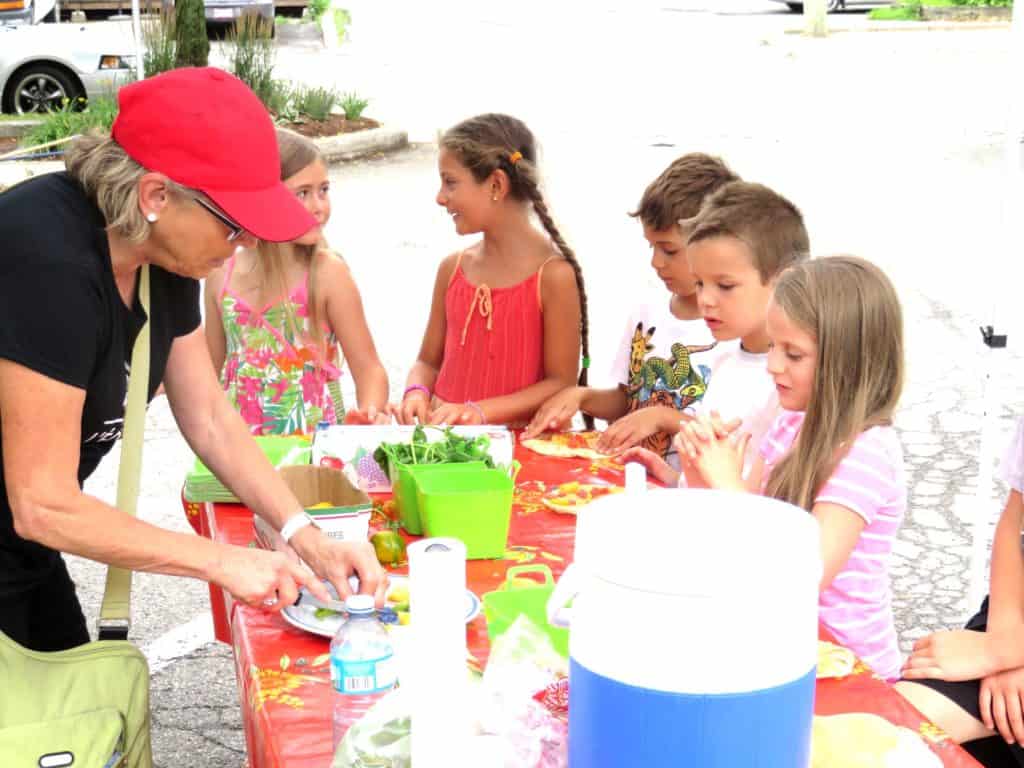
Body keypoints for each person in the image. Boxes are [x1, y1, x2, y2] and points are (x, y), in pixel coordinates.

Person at [0, 67, 384, 654]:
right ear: (156, 194)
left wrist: (303, 533)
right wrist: (219, 561)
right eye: (235, 224)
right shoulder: (45, 259)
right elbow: (43, 503)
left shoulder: (164, 250)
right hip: (26, 525)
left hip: (20, 551)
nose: (249, 243)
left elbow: (206, 411)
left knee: (76, 715)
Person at [675, 257, 907, 682]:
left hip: (844, 668)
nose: (773, 366)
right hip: (781, 643)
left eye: (793, 354)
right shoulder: (790, 422)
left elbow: (799, 579)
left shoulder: (866, 454)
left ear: (849, 364)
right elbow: (740, 542)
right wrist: (700, 472)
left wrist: (727, 485)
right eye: (773, 347)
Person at [523, 154, 739, 464]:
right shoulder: (646, 310)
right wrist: (582, 396)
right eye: (652, 246)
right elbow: (626, 401)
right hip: (628, 479)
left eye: (669, 250)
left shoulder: (732, 332)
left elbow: (729, 437)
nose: (656, 262)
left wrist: (663, 417)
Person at [392, 113, 588, 428]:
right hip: (448, 448)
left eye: (450, 182)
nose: (440, 197)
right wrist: (416, 392)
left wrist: (480, 412)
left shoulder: (553, 277)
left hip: (519, 452)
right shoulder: (452, 269)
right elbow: (427, 361)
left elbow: (560, 383)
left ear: (496, 184)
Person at [204, 128, 389, 434]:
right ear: (262, 199)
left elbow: (369, 369)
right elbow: (207, 373)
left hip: (314, 450)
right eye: (302, 193)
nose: (319, 206)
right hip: (238, 451)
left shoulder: (327, 274)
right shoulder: (220, 276)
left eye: (324, 190)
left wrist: (370, 414)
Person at [624, 180, 810, 483]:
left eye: (725, 286)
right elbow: (710, 477)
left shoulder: (788, 384)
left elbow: (767, 503)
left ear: (784, 282)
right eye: (699, 283)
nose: (705, 300)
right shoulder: (723, 356)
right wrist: (673, 480)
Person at [896, 416, 1024, 767]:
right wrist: (1001, 645)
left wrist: (1007, 652)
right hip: (1010, 613)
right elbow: (1015, 523)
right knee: (890, 725)